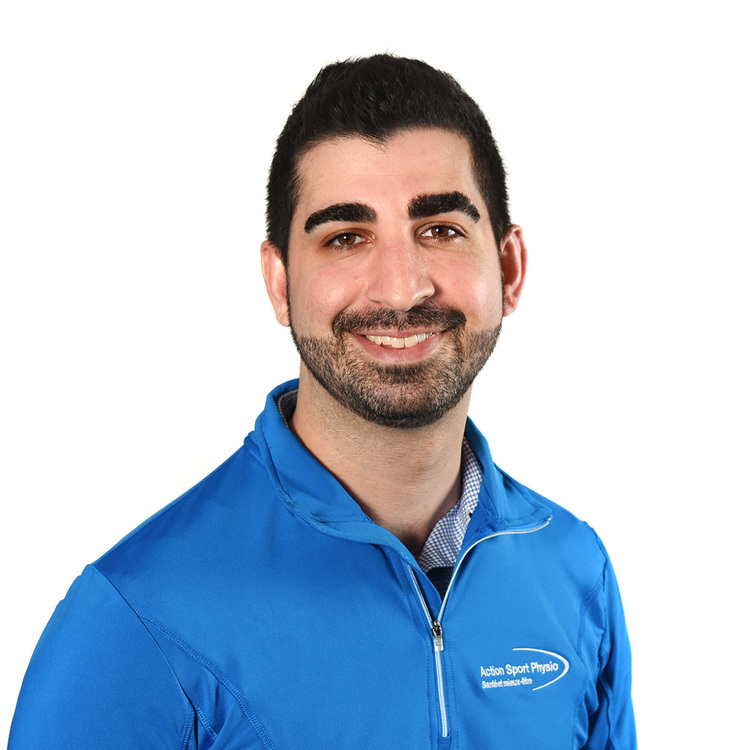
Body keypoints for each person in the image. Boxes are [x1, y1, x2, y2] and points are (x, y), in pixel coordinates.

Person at [9, 54, 636, 749]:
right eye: (345, 238)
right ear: (280, 284)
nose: (401, 288)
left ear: (509, 268)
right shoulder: (134, 622)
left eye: (440, 230)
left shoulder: (574, 570)